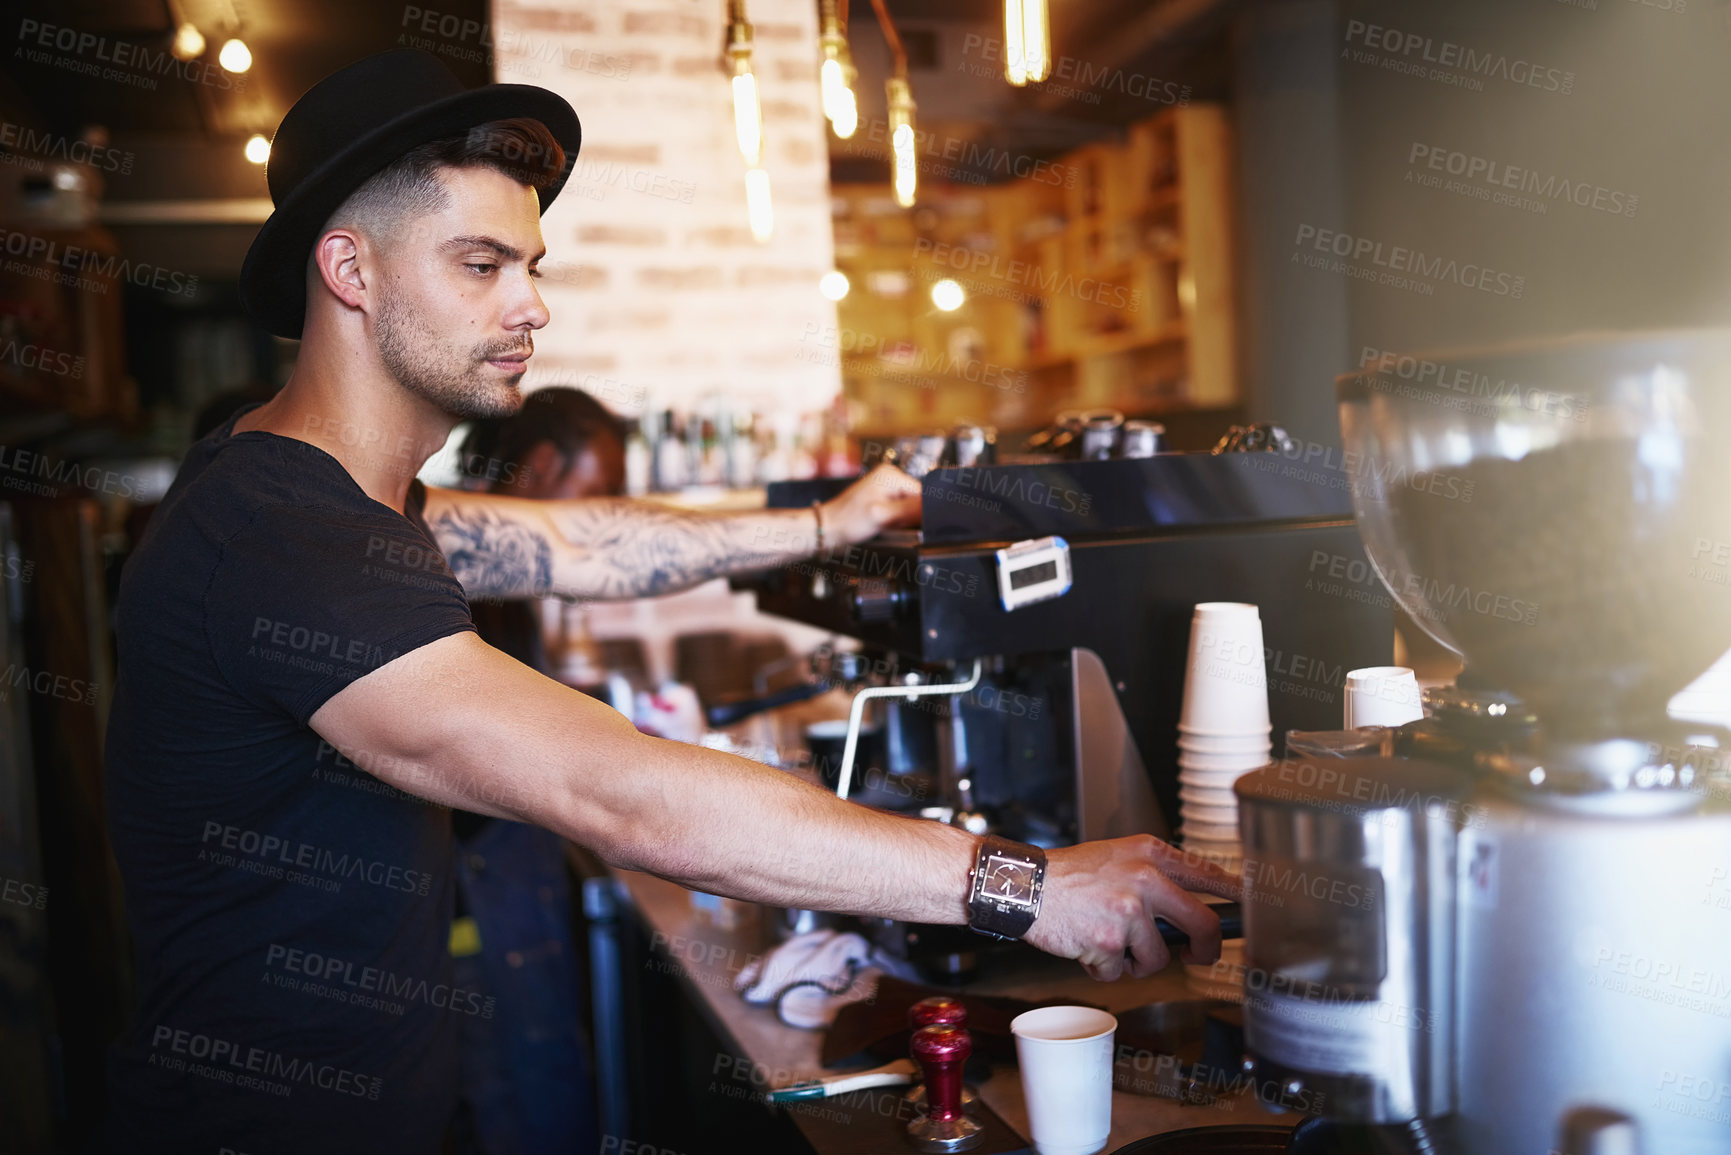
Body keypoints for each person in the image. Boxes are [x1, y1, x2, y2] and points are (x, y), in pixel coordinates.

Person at [102, 50, 1237, 1154]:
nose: (533, 307)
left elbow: (588, 544)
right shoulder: (278, 534)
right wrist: (1025, 888)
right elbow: (616, 792)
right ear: (352, 273)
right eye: (483, 265)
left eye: (532, 265)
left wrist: (818, 527)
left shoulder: (346, 502)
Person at [447, 388, 628, 1155]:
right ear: (543, 466)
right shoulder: (460, 561)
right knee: (515, 1091)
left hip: (503, 860)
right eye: (592, 496)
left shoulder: (501, 570)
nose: (598, 521)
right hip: (475, 878)